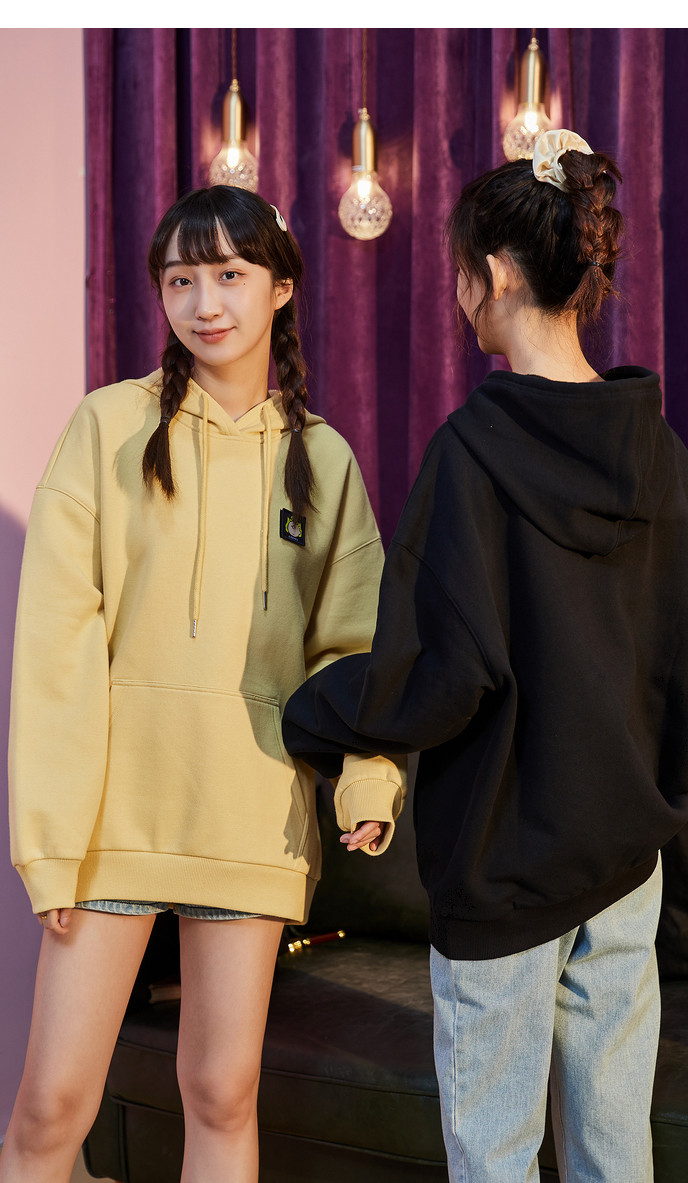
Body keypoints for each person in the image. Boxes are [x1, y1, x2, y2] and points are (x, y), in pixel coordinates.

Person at [282, 129, 688, 1183]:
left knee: (495, 1156)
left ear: (497, 271)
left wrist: (312, 710)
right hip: (626, 861)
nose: (458, 294)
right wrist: (665, 774)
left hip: (504, 866)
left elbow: (438, 677)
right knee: (614, 1154)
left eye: (461, 272)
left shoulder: (469, 454)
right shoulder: (655, 450)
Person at [2, 185, 404, 1183]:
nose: (205, 303)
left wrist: (367, 778)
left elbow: (353, 646)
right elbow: (56, 642)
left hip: (249, 816)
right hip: (114, 817)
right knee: (51, 1108)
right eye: (181, 280)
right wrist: (52, 837)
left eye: (229, 274)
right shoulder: (106, 425)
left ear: (281, 287)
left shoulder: (322, 459)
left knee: (222, 1092)